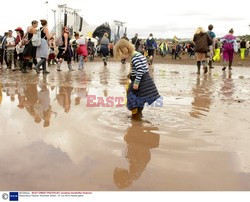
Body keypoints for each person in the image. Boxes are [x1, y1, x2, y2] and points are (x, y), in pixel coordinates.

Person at [114, 39, 160, 120]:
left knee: (132, 97)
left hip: (142, 82)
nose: (123, 58)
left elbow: (140, 70)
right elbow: (142, 68)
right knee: (139, 99)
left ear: (125, 50)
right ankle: (138, 115)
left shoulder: (135, 58)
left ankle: (136, 117)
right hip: (146, 81)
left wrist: (136, 83)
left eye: (122, 55)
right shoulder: (138, 55)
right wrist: (130, 74)